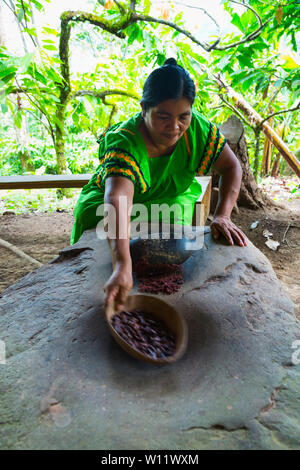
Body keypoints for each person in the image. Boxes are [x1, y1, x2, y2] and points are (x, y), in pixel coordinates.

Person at [70, 58, 248, 311]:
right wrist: (122, 264)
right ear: (144, 109)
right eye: (163, 116)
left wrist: (223, 215)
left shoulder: (199, 130)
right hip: (109, 209)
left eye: (183, 117)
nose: (175, 127)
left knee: (175, 237)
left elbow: (231, 167)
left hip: (169, 202)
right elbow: (118, 200)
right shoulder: (125, 141)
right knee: (96, 267)